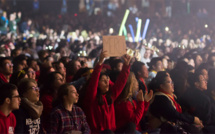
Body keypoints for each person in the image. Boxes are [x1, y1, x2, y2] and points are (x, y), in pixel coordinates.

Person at [83, 51, 131, 133]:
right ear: (97, 84)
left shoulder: (110, 96)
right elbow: (94, 80)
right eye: (103, 81)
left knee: (130, 126)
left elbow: (121, 82)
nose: (107, 83)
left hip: (111, 131)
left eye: (108, 80)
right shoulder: (92, 97)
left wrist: (126, 65)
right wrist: (100, 63)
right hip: (99, 133)